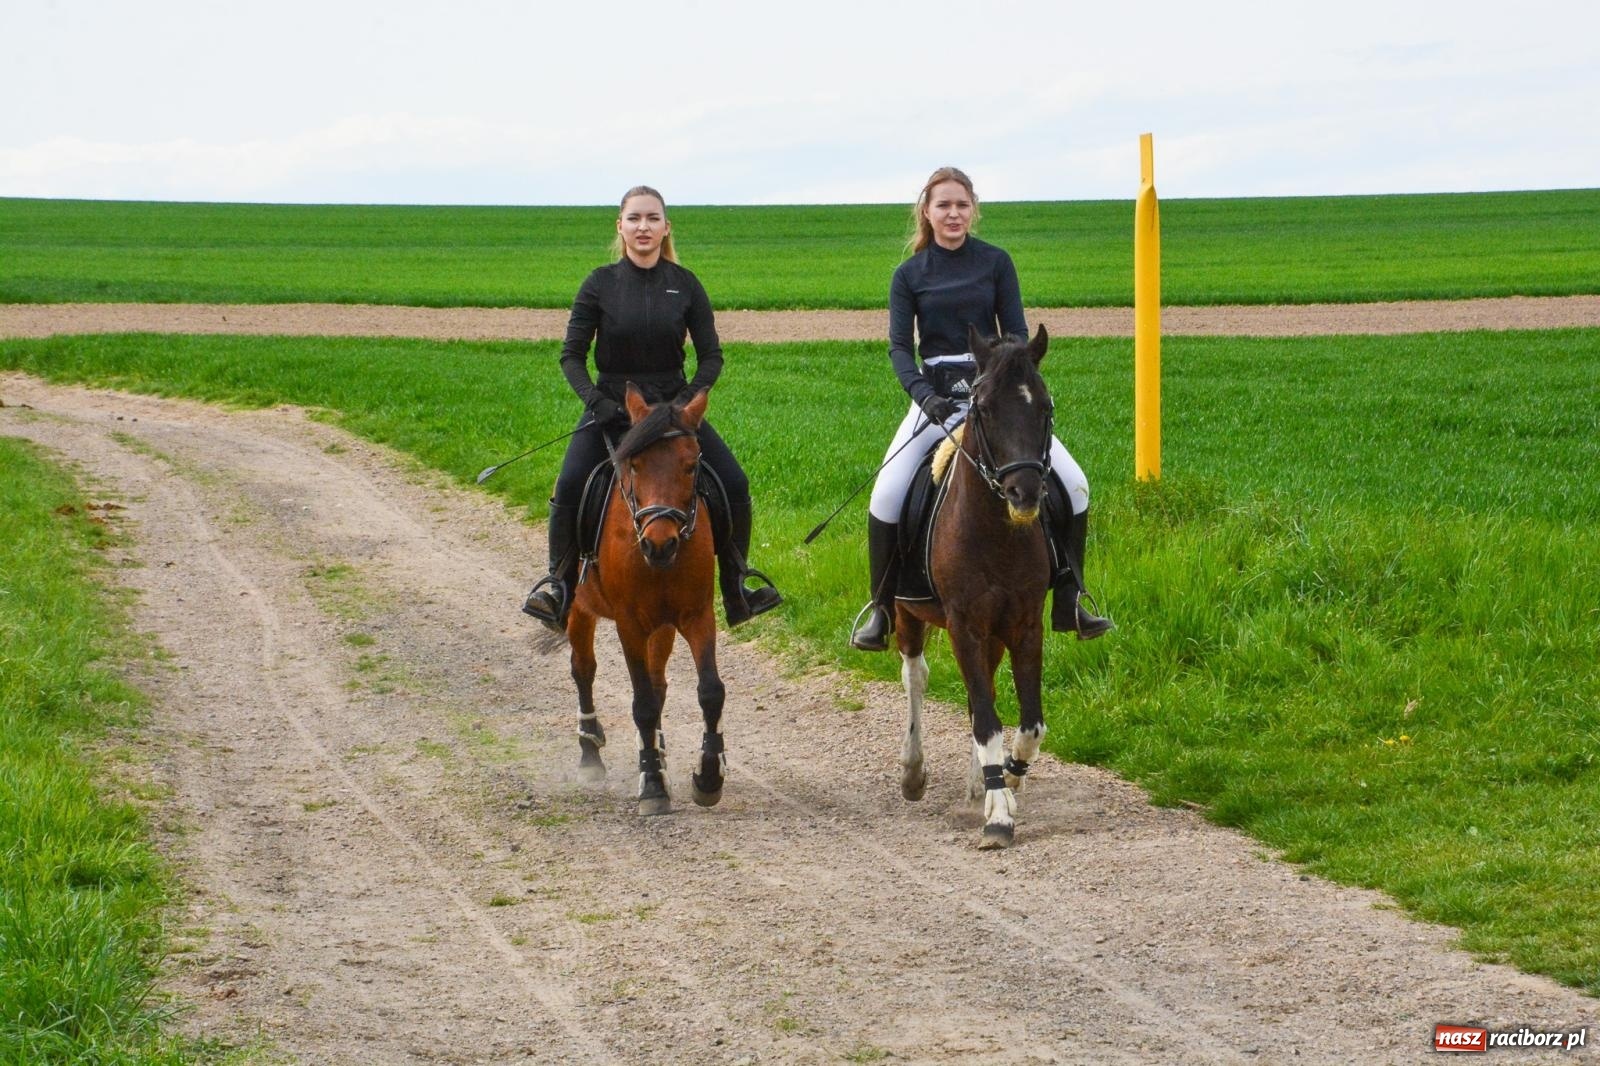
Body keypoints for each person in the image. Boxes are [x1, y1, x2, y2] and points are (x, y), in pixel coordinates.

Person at [849, 166, 1112, 651]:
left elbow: (1015, 333)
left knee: (1074, 483)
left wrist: (997, 384)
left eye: (961, 205)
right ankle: (882, 611)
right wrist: (924, 396)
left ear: (974, 210)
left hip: (995, 400)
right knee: (885, 495)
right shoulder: (908, 275)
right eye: (943, 205)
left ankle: (1071, 599)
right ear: (926, 212)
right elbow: (899, 349)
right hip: (935, 401)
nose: (953, 213)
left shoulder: (996, 262)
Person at [522, 185, 782, 631]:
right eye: (635, 218)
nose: (644, 227)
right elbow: (571, 355)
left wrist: (683, 405)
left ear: (666, 228)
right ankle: (558, 587)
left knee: (734, 482)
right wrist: (596, 402)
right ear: (620, 226)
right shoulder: (599, 284)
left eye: (652, 219)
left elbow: (711, 357)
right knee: (568, 485)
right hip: (612, 410)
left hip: (673, 412)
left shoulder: (685, 285)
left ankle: (737, 586)